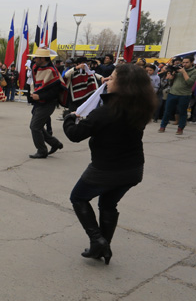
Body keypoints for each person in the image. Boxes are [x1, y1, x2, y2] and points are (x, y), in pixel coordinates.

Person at [63, 64, 157, 265]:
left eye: (112, 78)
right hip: (133, 170)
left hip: (106, 169)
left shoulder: (106, 112)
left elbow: (75, 135)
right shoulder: (140, 108)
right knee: (108, 203)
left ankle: (97, 240)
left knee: (78, 197)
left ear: (124, 85)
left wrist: (69, 118)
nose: (107, 80)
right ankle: (103, 246)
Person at [28, 48, 65, 159]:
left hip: (48, 103)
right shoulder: (36, 68)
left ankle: (42, 150)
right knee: (37, 126)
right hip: (39, 102)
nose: (34, 59)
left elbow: (55, 91)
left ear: (43, 58)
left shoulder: (51, 71)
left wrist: (40, 96)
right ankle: (55, 143)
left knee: (35, 127)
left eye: (37, 57)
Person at [159, 55, 196, 135]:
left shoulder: (194, 71)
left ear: (192, 62)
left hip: (184, 95)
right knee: (167, 111)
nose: (184, 64)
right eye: (183, 62)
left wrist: (183, 72)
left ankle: (180, 128)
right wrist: (171, 73)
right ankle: (162, 126)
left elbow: (189, 83)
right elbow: (171, 80)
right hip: (173, 93)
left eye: (187, 62)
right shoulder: (178, 69)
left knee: (182, 112)